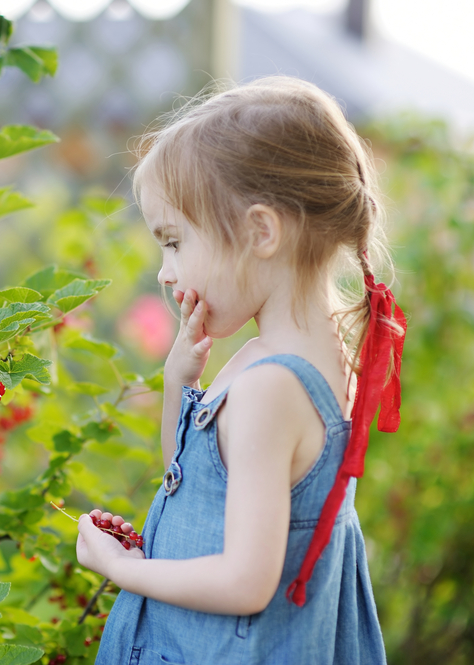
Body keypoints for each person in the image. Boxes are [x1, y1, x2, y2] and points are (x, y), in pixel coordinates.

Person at [75, 76, 407, 664]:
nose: (164, 272)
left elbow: (245, 582)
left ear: (261, 231)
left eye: (174, 241)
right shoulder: (299, 358)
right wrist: (181, 381)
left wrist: (126, 570)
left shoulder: (270, 389)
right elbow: (194, 483)